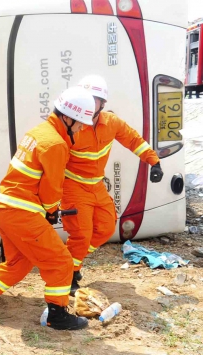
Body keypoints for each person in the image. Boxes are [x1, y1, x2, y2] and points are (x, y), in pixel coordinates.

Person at [0, 87, 96, 331]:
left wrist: (46, 209)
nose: (83, 128)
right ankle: (57, 314)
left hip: (5, 208)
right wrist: (52, 209)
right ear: (67, 117)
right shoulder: (55, 144)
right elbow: (51, 190)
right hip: (21, 212)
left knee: (18, 264)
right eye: (80, 123)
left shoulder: (39, 133)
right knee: (61, 261)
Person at [63, 75, 164, 296]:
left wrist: (153, 161)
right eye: (86, 99)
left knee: (107, 227)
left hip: (96, 186)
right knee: (81, 233)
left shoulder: (112, 122)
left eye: (94, 99)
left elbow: (134, 140)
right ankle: (68, 273)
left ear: (102, 104)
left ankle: (72, 261)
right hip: (73, 187)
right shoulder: (71, 125)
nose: (89, 104)